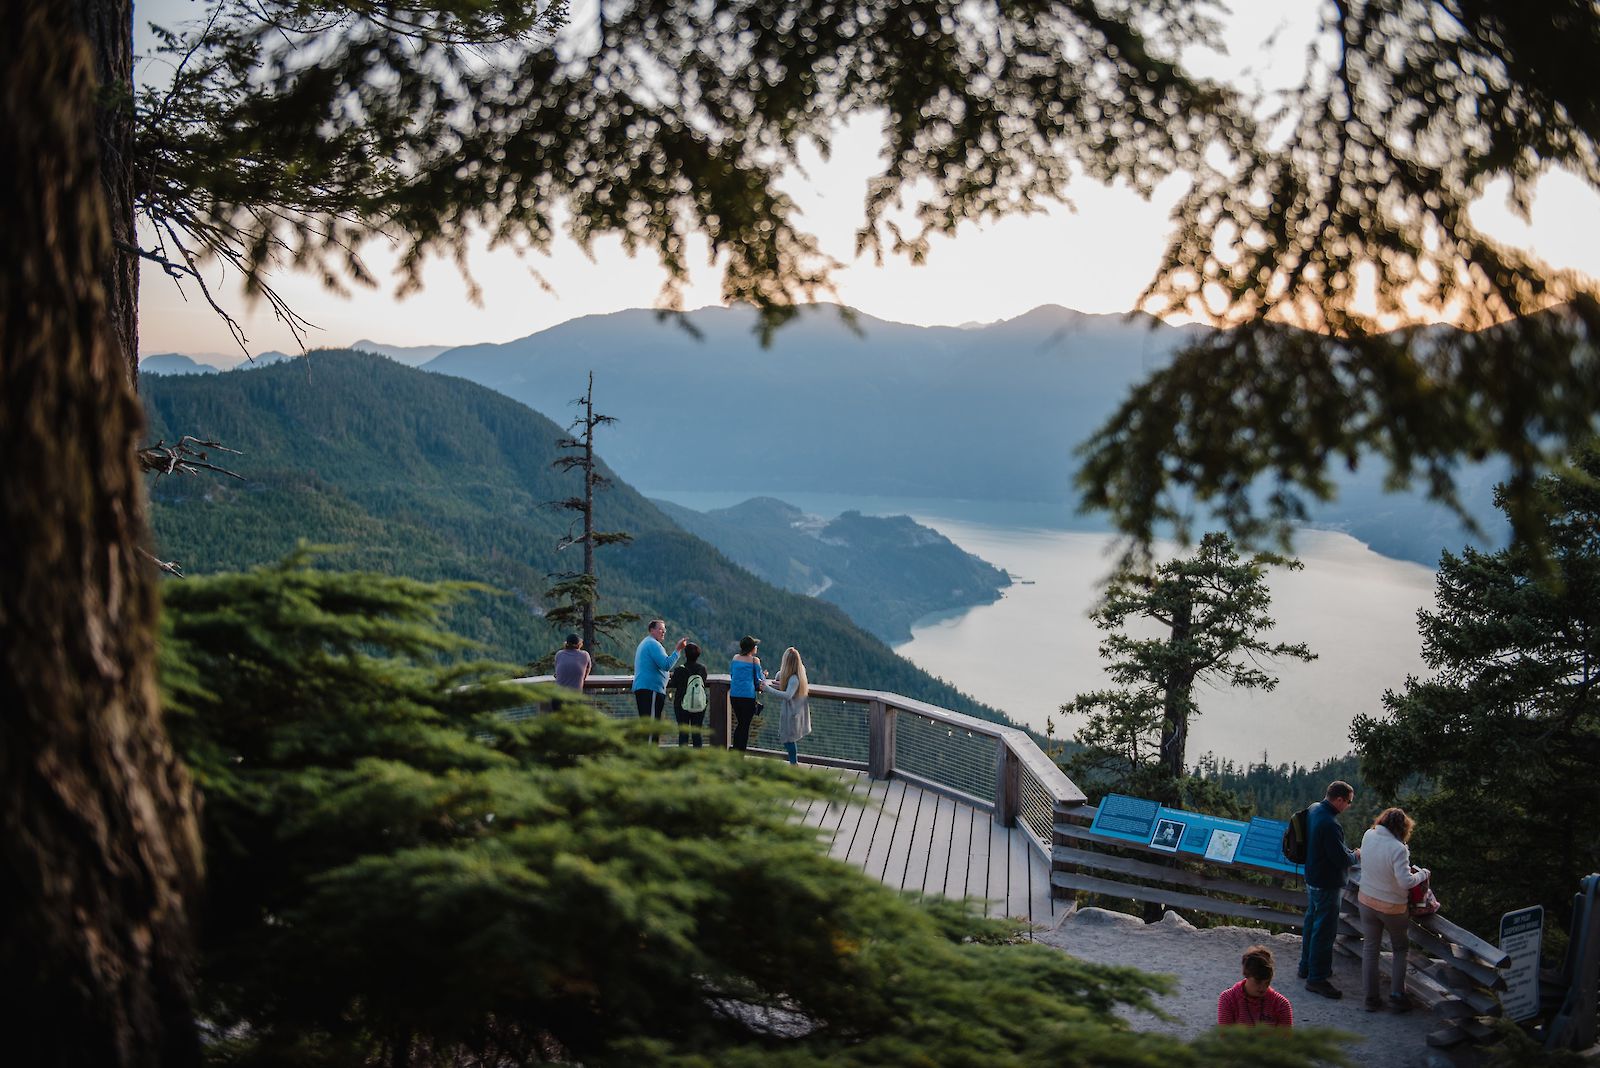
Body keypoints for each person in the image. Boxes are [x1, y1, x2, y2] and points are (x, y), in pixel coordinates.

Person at [1357, 807, 1429, 1013]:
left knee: (1370, 948)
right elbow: (1405, 882)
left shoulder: (1368, 835)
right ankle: (1397, 996)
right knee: (1399, 949)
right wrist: (1422, 874)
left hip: (1366, 900)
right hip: (1392, 907)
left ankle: (1371, 998)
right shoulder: (1398, 848)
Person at [1300, 780, 1360, 998]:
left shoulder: (1314, 809)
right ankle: (1317, 978)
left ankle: (1305, 966)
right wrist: (1355, 855)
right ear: (1339, 800)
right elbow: (1340, 858)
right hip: (1327, 882)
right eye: (1349, 802)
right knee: (1324, 932)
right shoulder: (1331, 824)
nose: (1349, 806)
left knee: (1311, 923)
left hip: (1312, 876)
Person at [633, 619, 686, 740]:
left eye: (664, 630)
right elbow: (666, 664)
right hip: (650, 690)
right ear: (652, 630)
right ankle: (650, 755)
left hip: (646, 688)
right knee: (652, 728)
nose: (663, 632)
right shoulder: (653, 644)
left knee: (648, 726)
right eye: (660, 629)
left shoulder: (646, 643)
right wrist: (678, 650)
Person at [1217, 945, 1294, 1028]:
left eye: (1267, 982)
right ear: (1246, 974)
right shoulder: (1228, 998)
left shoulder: (1281, 1004)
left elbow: (1286, 1037)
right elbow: (1225, 1035)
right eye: (1258, 981)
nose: (1263, 987)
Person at [767, 646, 813, 765]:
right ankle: (793, 763)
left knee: (789, 739)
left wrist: (768, 689)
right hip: (796, 709)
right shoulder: (799, 672)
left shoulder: (794, 679)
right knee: (788, 738)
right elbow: (779, 677)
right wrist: (781, 683)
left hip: (792, 712)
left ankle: (794, 764)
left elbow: (787, 695)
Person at [668, 641, 710, 749]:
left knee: (683, 733)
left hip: (681, 704)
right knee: (697, 733)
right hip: (699, 704)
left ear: (685, 654)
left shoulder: (679, 670)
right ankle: (698, 760)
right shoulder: (702, 669)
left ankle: (683, 759)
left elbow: (673, 683)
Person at [727, 635, 765, 751]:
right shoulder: (755, 660)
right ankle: (739, 753)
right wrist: (765, 676)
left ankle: (735, 750)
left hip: (734, 695)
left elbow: (732, 675)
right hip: (747, 697)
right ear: (751, 648)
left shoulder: (735, 658)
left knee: (741, 724)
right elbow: (758, 679)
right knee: (744, 726)